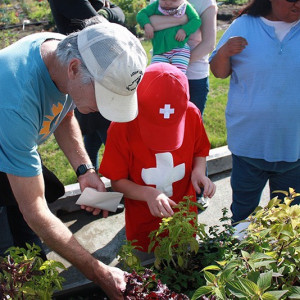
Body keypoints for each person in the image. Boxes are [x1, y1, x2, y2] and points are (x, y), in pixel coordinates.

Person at [0, 19, 147, 299]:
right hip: (5, 128)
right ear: (74, 69)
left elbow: (63, 114)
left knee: (46, 193)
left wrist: (85, 169)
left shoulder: (66, 50)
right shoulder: (16, 105)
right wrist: (100, 273)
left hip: (10, 135)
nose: (102, 111)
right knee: (28, 209)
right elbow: (34, 209)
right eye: (103, 96)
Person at [99, 63, 216, 258]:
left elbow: (199, 150)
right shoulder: (122, 126)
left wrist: (198, 171)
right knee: (145, 264)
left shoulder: (192, 114)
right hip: (144, 219)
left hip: (183, 213)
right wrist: (148, 194)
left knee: (183, 257)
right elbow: (117, 182)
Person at [209, 0, 300, 224]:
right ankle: (242, 257)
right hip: (249, 146)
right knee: (243, 216)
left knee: (287, 224)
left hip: (294, 148)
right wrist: (224, 52)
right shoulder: (245, 25)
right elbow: (219, 72)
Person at [148, 0, 218, 207]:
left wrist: (177, 67)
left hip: (192, 78)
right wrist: (185, 21)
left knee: (192, 134)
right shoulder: (157, 1)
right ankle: (165, 189)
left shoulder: (205, 3)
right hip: (161, 76)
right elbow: (149, 26)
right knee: (163, 132)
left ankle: (198, 191)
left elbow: (208, 44)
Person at [48, 0, 126, 171]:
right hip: (86, 77)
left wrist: (106, 14)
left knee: (95, 133)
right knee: (106, 133)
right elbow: (101, 27)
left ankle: (95, 179)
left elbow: (120, 15)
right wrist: (106, 15)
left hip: (99, 73)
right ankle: (108, 179)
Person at [136, 0, 201, 74]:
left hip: (179, 49)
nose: (168, 3)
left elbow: (196, 20)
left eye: (174, 0)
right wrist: (146, 24)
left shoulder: (185, 6)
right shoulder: (156, 5)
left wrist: (185, 30)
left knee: (178, 75)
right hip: (159, 50)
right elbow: (141, 14)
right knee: (155, 74)